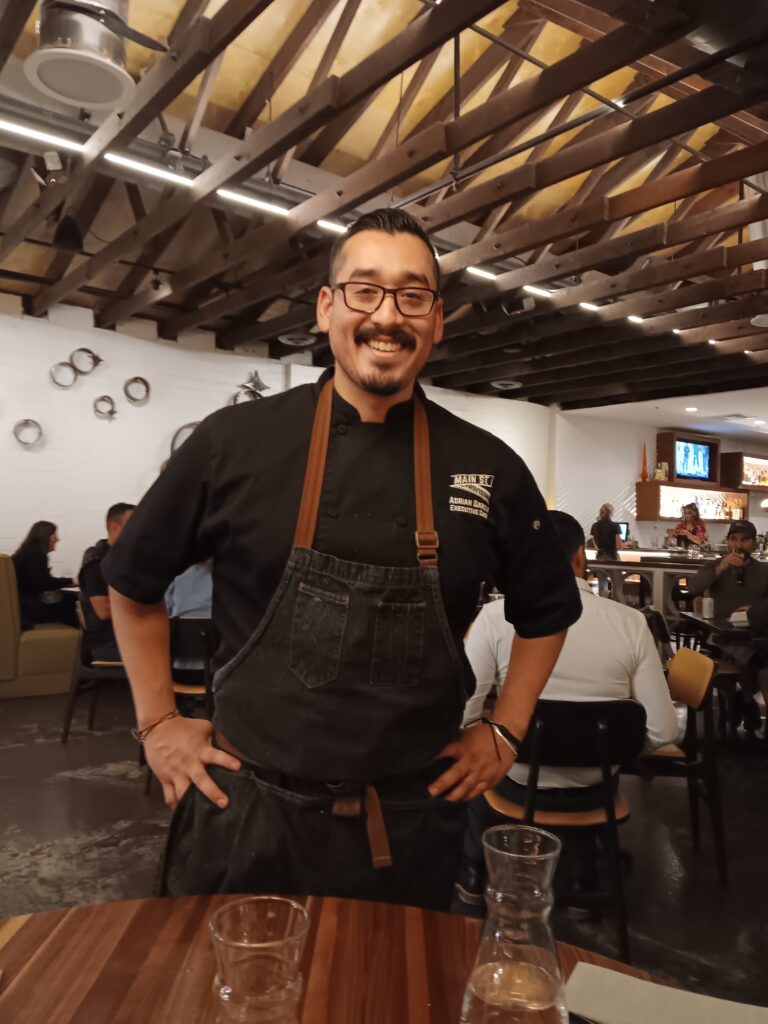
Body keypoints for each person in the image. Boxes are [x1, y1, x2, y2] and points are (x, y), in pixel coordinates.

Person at [104, 207, 581, 911]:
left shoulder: (489, 467)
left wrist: (505, 730)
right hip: (246, 813)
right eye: (365, 290)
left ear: (436, 320)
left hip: (408, 825)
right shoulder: (234, 442)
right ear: (327, 308)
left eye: (412, 296)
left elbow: (546, 612)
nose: (387, 315)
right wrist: (157, 722)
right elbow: (132, 582)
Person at [456, 510, 678, 905]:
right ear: (580, 557)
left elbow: (462, 713)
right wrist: (612, 751)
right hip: (595, 790)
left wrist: (492, 739)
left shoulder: (494, 618)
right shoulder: (630, 623)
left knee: (477, 760)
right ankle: (581, 880)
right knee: (591, 772)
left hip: (516, 781)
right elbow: (663, 731)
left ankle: (475, 874)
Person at [685, 521, 768, 734]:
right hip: (720, 637)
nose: (738, 545)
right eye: (734, 539)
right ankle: (746, 700)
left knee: (756, 656)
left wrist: (753, 610)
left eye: (744, 540)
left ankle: (743, 699)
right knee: (757, 661)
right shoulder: (714, 566)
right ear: (728, 541)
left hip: (754, 634)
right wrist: (721, 568)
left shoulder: (763, 570)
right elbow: (692, 588)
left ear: (754, 543)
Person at [79, 503, 136, 661]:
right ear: (115, 527)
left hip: (126, 634)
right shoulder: (96, 562)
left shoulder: (122, 559)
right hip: (108, 642)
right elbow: (103, 611)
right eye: (134, 524)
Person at [11, 521, 77, 629]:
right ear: (45, 537)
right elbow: (44, 583)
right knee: (72, 603)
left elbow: (38, 581)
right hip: (27, 610)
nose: (58, 539)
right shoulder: (35, 555)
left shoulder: (25, 553)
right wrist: (72, 580)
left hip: (22, 607)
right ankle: (78, 637)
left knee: (67, 601)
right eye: (54, 535)